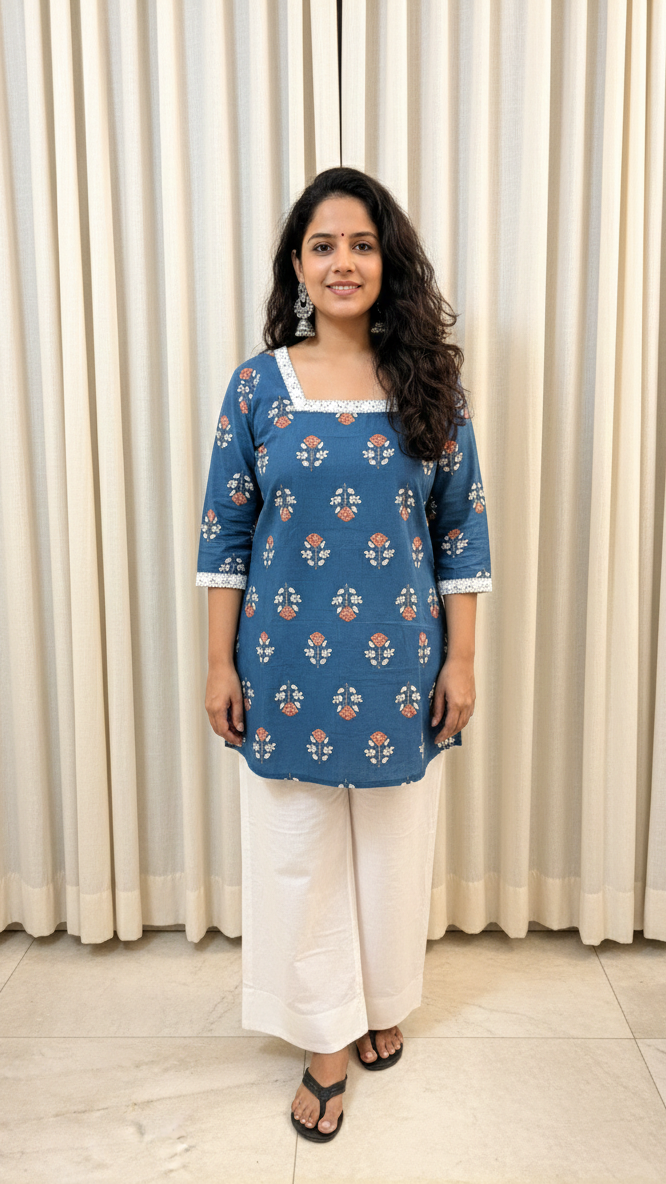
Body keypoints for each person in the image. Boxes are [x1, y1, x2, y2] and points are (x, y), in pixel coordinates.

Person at [196, 166, 492, 1142]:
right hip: (283, 660)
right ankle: (325, 1035)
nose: (343, 261)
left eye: (361, 244)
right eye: (322, 244)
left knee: (395, 847)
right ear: (295, 264)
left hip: (402, 662)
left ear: (387, 259)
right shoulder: (256, 386)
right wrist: (219, 662)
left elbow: (462, 534)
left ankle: (382, 996)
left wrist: (460, 661)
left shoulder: (430, 383)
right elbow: (223, 536)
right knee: (298, 854)